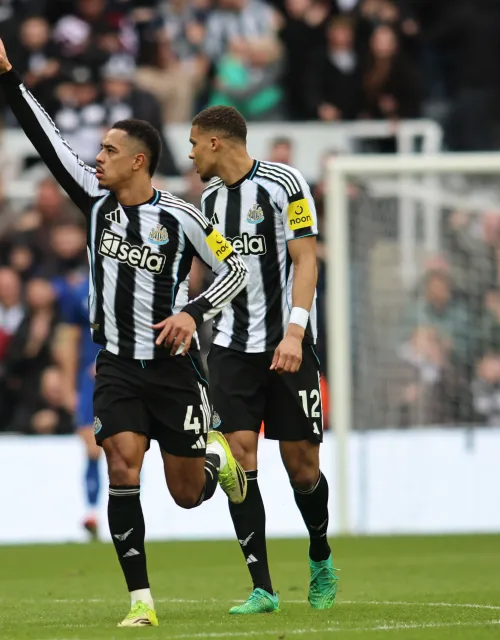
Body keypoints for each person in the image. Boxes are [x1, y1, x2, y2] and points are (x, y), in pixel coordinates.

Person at [0, 17, 249, 628]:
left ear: (138, 162)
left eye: (108, 151)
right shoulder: (95, 201)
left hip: (174, 370)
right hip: (118, 366)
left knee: (186, 494)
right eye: (98, 150)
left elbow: (235, 271)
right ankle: (141, 602)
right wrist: (8, 76)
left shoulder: (183, 217)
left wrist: (192, 311)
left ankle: (217, 462)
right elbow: (46, 139)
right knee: (123, 468)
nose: (97, 158)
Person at [188, 105, 338, 614]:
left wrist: (295, 331)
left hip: (287, 345)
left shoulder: (285, 183)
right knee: (239, 459)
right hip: (231, 346)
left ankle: (320, 556)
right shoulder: (209, 200)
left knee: (303, 467)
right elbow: (214, 272)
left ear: (215, 142)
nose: (191, 154)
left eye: (194, 143)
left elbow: (306, 259)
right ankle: (263, 588)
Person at [53, 268, 104, 540]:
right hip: (89, 380)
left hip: (125, 374)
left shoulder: (134, 280)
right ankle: (92, 512)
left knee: (126, 446)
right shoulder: (80, 291)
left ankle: (129, 508)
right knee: (91, 445)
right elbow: (69, 338)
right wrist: (67, 385)